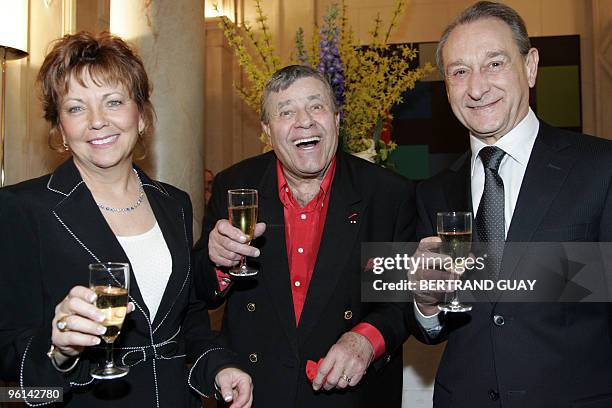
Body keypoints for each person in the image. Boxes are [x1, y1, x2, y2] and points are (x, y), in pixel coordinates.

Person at [0, 32, 252, 407]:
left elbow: (188, 317)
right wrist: (58, 351)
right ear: (60, 129)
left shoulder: (174, 203)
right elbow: (7, 354)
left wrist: (216, 365)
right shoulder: (22, 208)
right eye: (76, 108)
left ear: (142, 115)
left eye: (113, 102)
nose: (97, 122)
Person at [407, 2, 612, 407]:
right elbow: (433, 327)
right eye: (459, 71)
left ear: (530, 66)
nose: (477, 87)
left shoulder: (600, 169)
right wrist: (425, 303)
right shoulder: (433, 194)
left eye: (494, 63)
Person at [194, 64, 416, 407]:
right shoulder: (234, 186)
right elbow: (198, 294)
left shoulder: (386, 195)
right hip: (256, 393)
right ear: (267, 130)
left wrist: (365, 340)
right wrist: (218, 262)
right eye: (287, 112)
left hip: (350, 395)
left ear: (337, 119)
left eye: (316, 106)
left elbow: (400, 301)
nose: (305, 121)